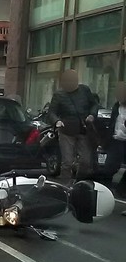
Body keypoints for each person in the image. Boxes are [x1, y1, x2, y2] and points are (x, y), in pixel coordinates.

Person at [48, 69, 99, 185]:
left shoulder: (84, 90)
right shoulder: (59, 95)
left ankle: (79, 182)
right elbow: (51, 112)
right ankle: (65, 186)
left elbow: (94, 104)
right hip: (66, 130)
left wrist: (92, 115)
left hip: (83, 129)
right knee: (67, 162)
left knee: (86, 161)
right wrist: (57, 121)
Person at [100, 82, 126, 215]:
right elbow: (112, 124)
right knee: (109, 167)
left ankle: (122, 190)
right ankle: (105, 195)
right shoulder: (116, 107)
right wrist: (106, 140)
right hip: (116, 141)